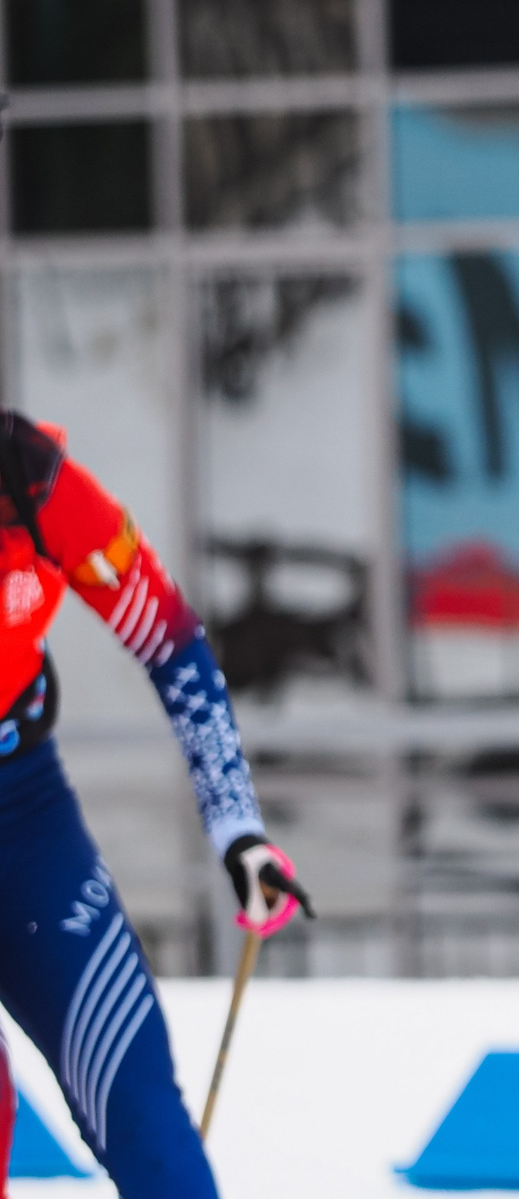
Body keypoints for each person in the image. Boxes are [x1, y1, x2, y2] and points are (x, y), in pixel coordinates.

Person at [0, 410, 308, 1198]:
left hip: (21, 811)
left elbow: (171, 641)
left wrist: (237, 825)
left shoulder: (26, 475)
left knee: (145, 1117)